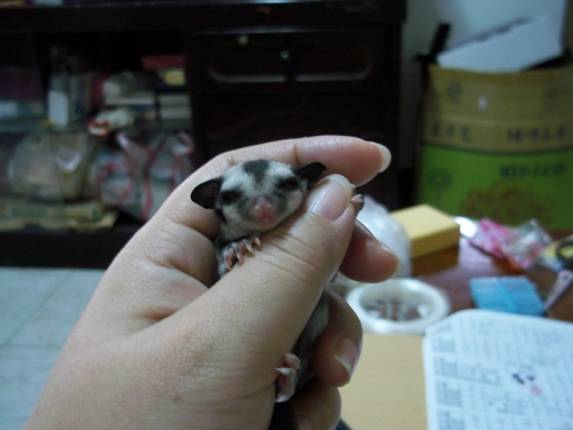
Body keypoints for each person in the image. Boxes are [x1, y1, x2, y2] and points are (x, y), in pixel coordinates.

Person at [26, 136, 397, 430]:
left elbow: (323, 278)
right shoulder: (221, 249)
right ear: (216, 205)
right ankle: (286, 380)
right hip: (263, 366)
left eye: (283, 187)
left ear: (306, 186)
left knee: (321, 320)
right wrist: (234, 252)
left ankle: (292, 378)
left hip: (294, 358)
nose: (263, 205)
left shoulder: (305, 228)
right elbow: (225, 285)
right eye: (237, 197)